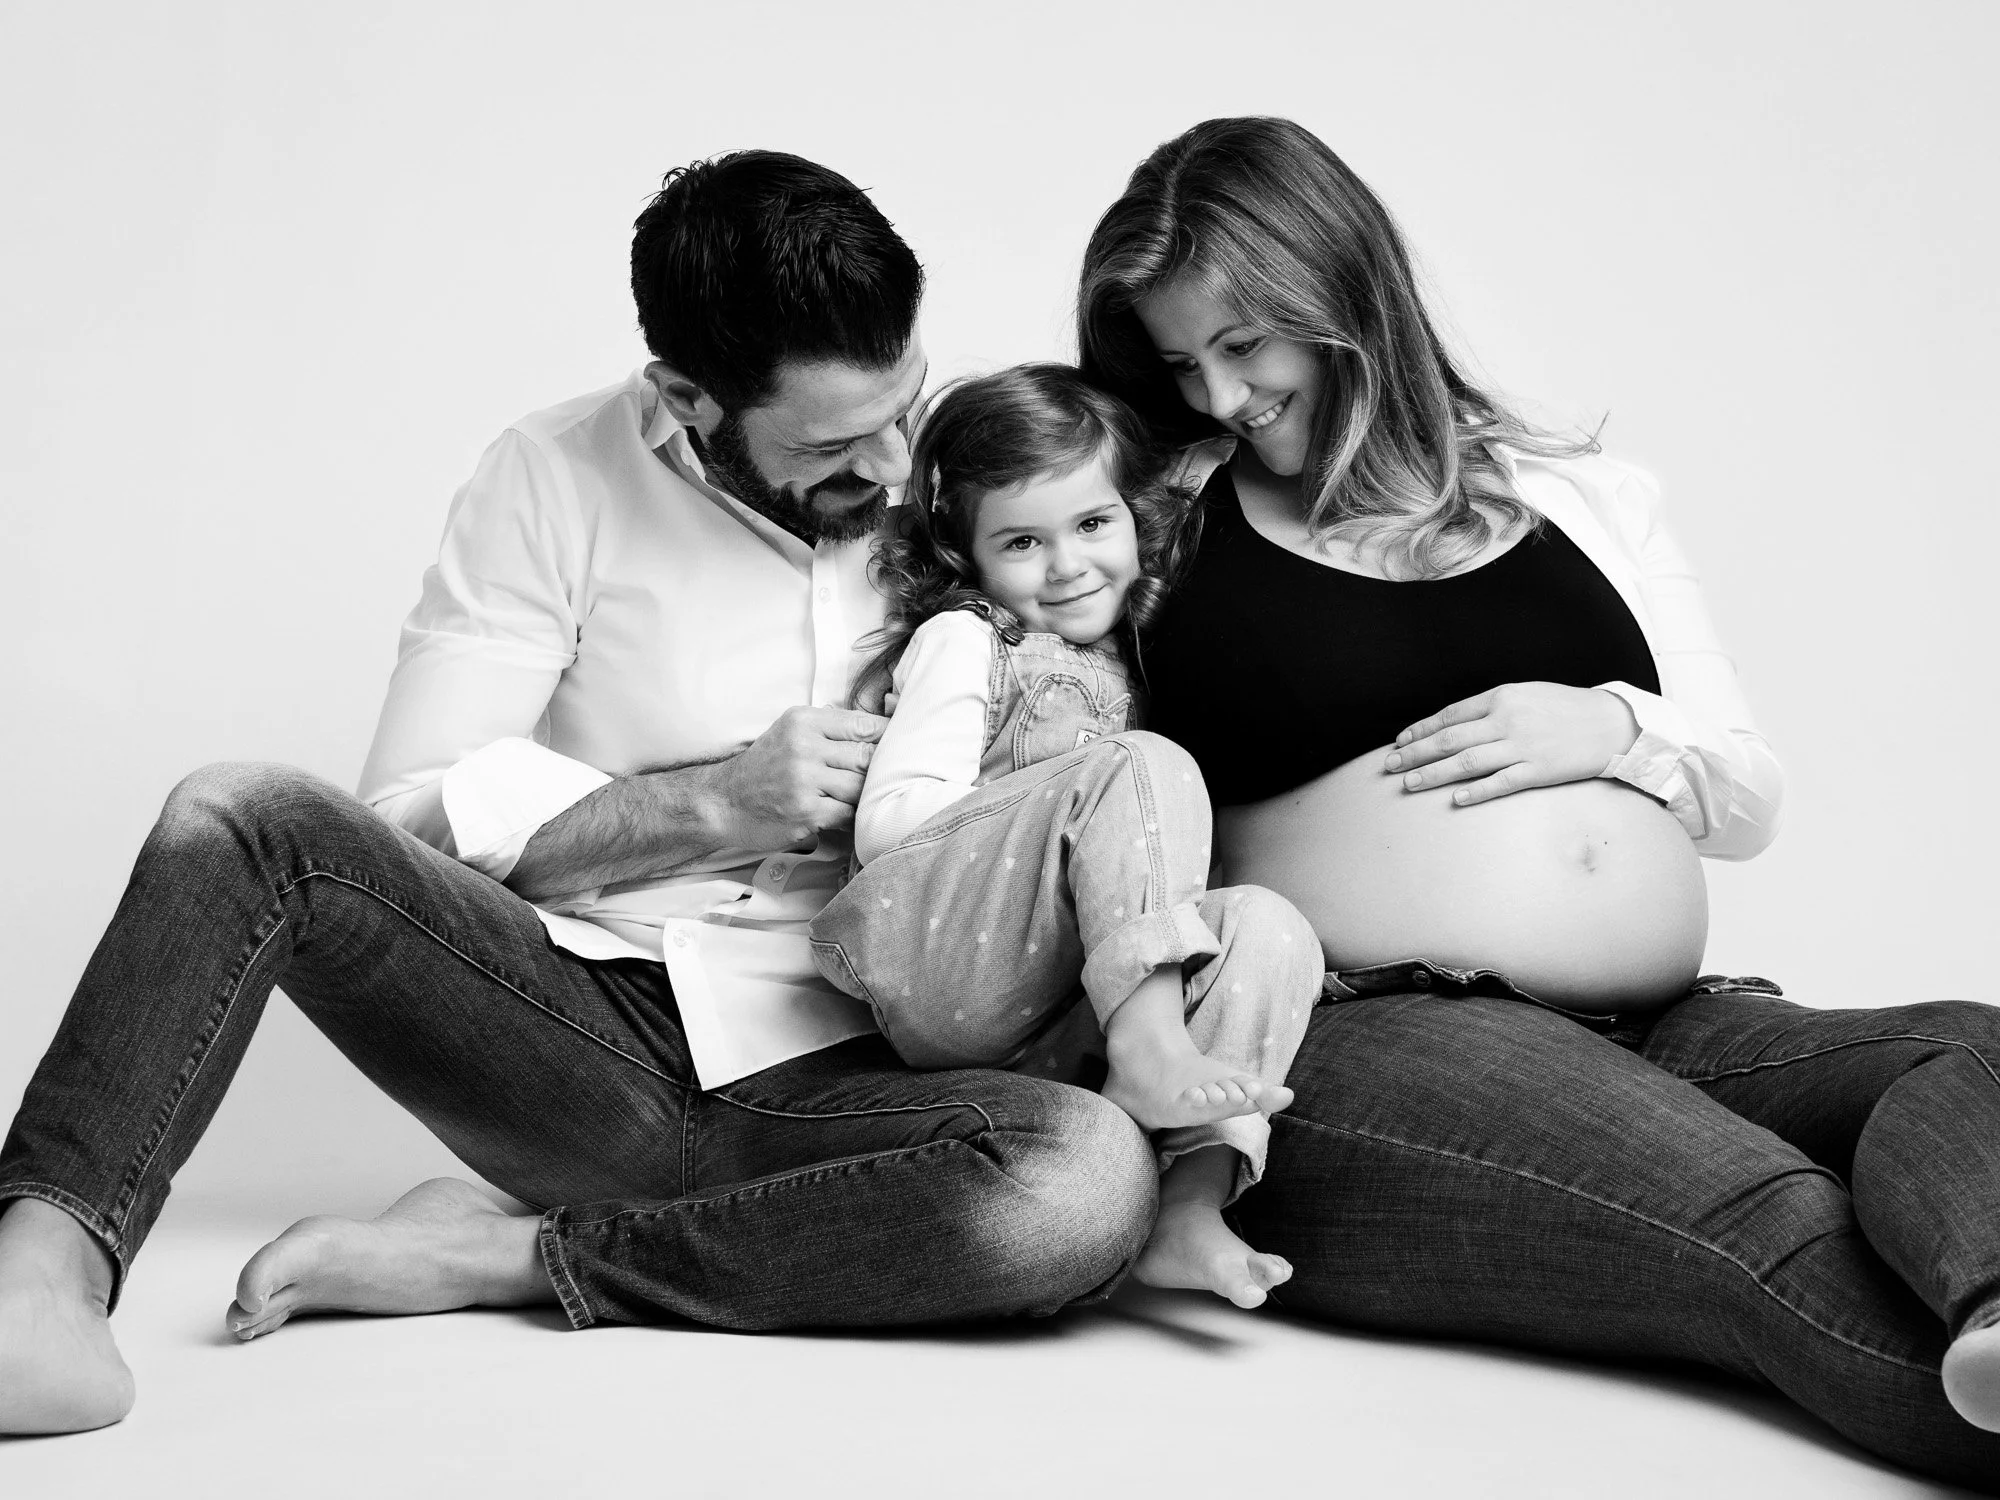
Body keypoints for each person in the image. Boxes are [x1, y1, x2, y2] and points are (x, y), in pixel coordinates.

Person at [0, 149, 1159, 1438]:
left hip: (851, 1074)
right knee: (242, 817)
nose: (893, 467)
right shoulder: (551, 476)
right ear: (687, 396)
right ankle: (37, 1283)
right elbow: (406, 826)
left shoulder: (967, 482)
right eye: (832, 443)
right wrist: (710, 805)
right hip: (582, 1040)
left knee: (1083, 1184)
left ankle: (512, 1251)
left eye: (906, 404)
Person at [1077, 114, 2000, 1492]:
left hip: (1664, 1020)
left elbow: (1743, 798)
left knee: (1961, 1051)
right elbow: (1065, 769)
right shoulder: (1148, 528)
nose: (1219, 396)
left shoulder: (1573, 494)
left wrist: (1613, 724)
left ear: (1342, 297)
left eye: (1244, 344)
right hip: (1359, 1036)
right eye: (1178, 363)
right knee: (1764, 1216)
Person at [809, 364, 1321, 1309]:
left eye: (1092, 523)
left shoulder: (1135, 656)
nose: (1068, 565)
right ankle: (1152, 1050)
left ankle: (1187, 1207)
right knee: (1138, 762)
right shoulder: (969, 638)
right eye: (1021, 542)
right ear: (966, 558)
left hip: (1057, 1020)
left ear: (1135, 518)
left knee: (1269, 923)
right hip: (945, 967)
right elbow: (888, 831)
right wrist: (1065, 803)